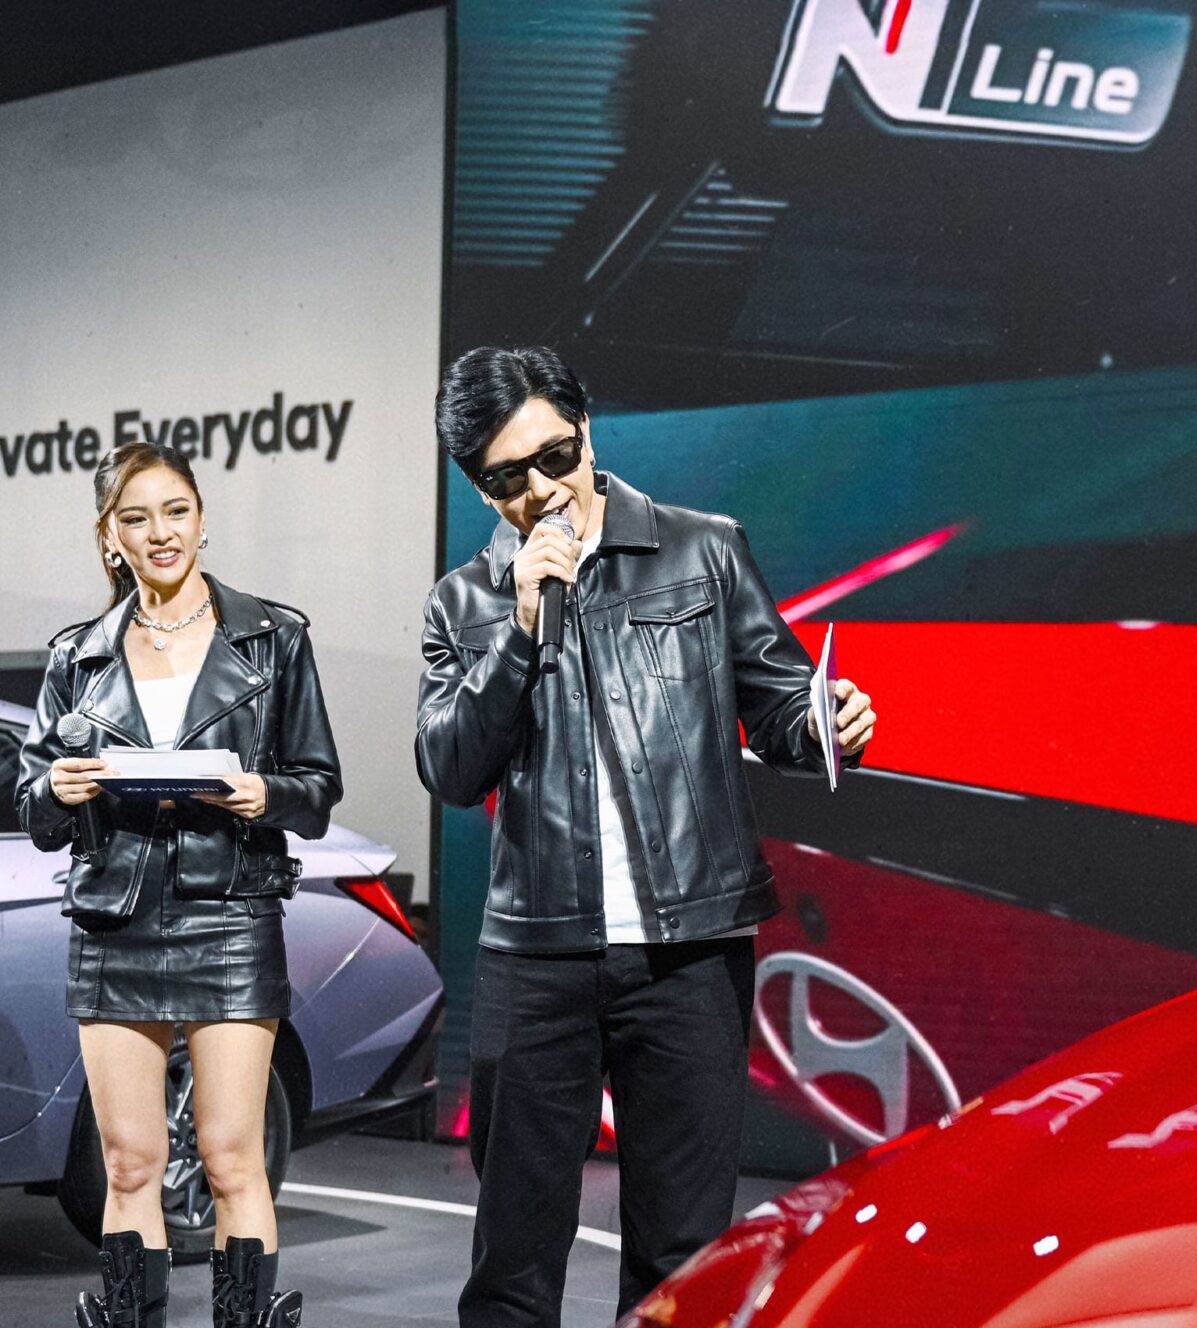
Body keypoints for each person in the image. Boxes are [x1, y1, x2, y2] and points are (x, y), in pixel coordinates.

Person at [418, 345, 877, 1327]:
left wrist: (824, 722)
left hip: (691, 952)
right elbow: (452, 769)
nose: (544, 490)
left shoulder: (703, 549)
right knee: (512, 1263)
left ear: (587, 431)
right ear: (479, 487)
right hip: (537, 956)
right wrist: (520, 628)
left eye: (557, 456)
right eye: (509, 478)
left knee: (683, 1256)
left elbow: (779, 704)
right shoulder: (465, 601)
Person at [15, 443, 341, 1328]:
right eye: (136, 518)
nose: (159, 532)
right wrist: (57, 789)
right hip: (113, 921)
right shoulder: (78, 656)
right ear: (109, 536)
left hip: (229, 916)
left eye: (175, 511)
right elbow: (35, 806)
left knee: (232, 1160)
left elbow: (317, 789)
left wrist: (262, 793)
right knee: (129, 1165)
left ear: (202, 520)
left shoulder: (273, 638)